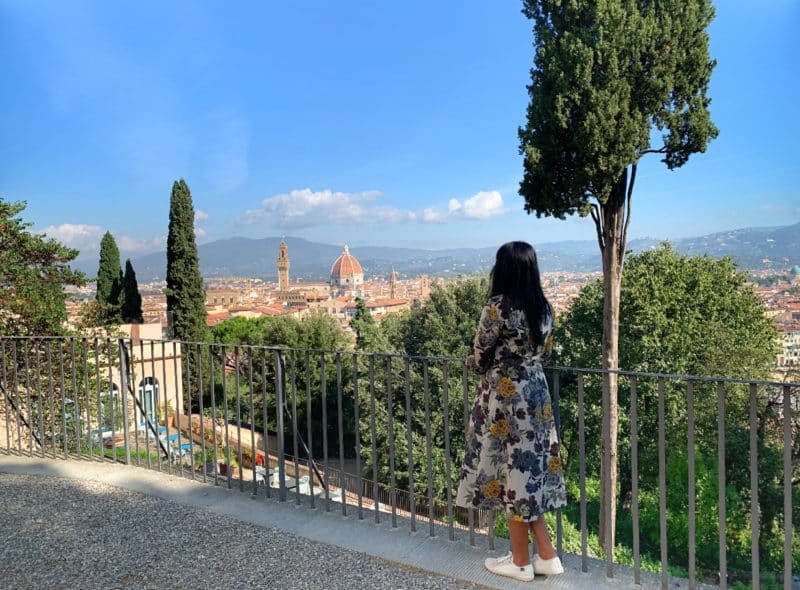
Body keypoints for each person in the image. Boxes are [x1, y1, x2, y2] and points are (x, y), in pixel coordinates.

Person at [456, 241, 566, 581]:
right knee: (526, 475)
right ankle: (546, 556)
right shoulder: (544, 307)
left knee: (510, 475)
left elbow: (479, 352)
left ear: (502, 269)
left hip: (506, 401)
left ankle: (520, 561)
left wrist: (479, 364)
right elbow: (544, 352)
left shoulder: (498, 306)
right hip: (537, 395)